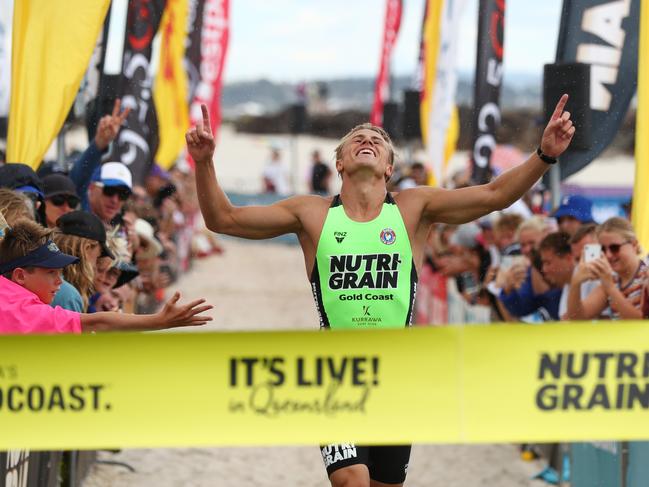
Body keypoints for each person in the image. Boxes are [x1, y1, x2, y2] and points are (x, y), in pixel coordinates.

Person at [186, 95, 576, 487]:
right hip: (335, 375)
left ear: (389, 167)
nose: (367, 138)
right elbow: (224, 219)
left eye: (377, 137)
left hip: (396, 378)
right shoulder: (312, 214)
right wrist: (203, 163)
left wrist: (543, 154)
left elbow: (495, 196)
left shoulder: (414, 208)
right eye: (357, 137)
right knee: (352, 480)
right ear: (339, 162)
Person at [0, 218, 211, 334]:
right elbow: (97, 323)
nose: (59, 281)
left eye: (60, 272)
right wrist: (160, 321)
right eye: (51, 272)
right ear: (20, 276)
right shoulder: (26, 312)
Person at [566, 217, 646, 320]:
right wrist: (575, 283)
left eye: (614, 248)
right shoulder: (612, 280)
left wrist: (610, 287)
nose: (608, 255)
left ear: (634, 245)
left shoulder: (646, 276)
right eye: (603, 249)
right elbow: (577, 318)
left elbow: (639, 322)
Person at [86, 162, 133, 226]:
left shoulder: (124, 229)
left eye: (123, 194)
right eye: (110, 191)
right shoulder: (74, 216)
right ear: (92, 187)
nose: (115, 200)